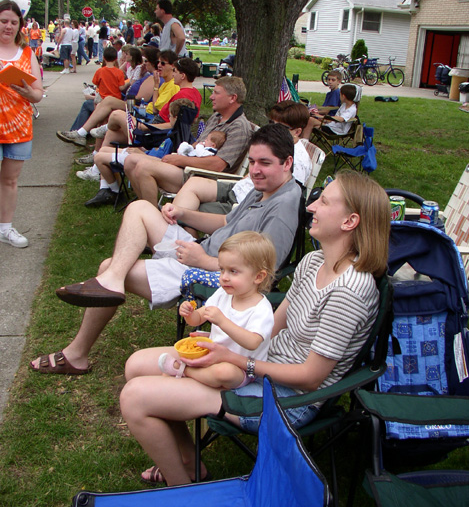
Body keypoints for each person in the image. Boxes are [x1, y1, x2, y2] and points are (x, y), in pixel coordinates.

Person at [118, 170, 391, 486]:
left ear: (349, 222)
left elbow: (311, 377)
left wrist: (235, 360)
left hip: (286, 399)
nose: (312, 207)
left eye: (325, 202)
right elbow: (274, 325)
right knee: (136, 365)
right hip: (259, 365)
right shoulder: (314, 261)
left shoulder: (351, 291)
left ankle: (180, 487)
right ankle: (191, 461)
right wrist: (227, 340)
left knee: (135, 398)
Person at [29, 123, 301, 374]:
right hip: (200, 252)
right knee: (140, 208)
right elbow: (225, 221)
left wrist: (204, 260)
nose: (255, 170)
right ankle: (111, 281)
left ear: (288, 162)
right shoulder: (262, 187)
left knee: (109, 267)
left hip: (215, 275)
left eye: (264, 163)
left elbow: (266, 271)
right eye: (252, 162)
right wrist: (182, 213)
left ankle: (76, 353)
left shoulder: (283, 207)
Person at [159, 231, 275, 389]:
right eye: (222, 270)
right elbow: (199, 319)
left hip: (242, 370)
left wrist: (222, 321)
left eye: (233, 271)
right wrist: (190, 314)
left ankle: (185, 371)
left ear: (258, 277)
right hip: (213, 355)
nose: (224, 277)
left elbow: (252, 342)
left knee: (224, 372)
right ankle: (188, 374)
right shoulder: (223, 294)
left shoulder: (261, 308)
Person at [171, 100, 312, 226]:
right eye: (271, 123)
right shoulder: (275, 144)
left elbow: (284, 199)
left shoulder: (297, 160)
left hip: (242, 204)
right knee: (194, 183)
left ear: (297, 131)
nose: (273, 129)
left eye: (280, 127)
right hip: (238, 188)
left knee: (190, 213)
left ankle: (179, 238)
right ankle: (176, 232)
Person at [124, 76, 252, 207]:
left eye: (216, 93)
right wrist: (181, 154)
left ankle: (150, 215)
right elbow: (198, 144)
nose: (211, 97)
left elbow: (217, 165)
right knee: (130, 161)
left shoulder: (239, 126)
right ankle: (148, 207)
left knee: (144, 167)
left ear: (232, 98)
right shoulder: (217, 117)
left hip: (204, 178)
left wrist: (180, 160)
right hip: (189, 168)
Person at [0, 0, 43, 248]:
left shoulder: (27, 53)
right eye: (3, 21)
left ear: (20, 25)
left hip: (18, 125)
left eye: (13, 22)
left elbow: (38, 93)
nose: (8, 26)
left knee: (10, 180)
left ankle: (5, 228)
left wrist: (27, 91)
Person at [56, 46, 126, 147]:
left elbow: (96, 84)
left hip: (102, 98)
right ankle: (96, 147)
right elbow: (121, 87)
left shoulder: (100, 71)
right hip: (115, 98)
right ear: (116, 59)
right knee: (102, 121)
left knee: (99, 121)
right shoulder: (119, 72)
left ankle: (85, 137)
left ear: (104, 58)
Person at [302, 71, 342, 139]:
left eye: (333, 80)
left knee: (304, 117)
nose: (330, 82)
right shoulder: (330, 93)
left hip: (328, 119)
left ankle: (304, 138)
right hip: (323, 117)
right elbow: (324, 107)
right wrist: (312, 107)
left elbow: (326, 111)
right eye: (328, 79)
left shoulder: (336, 93)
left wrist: (313, 111)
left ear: (339, 81)